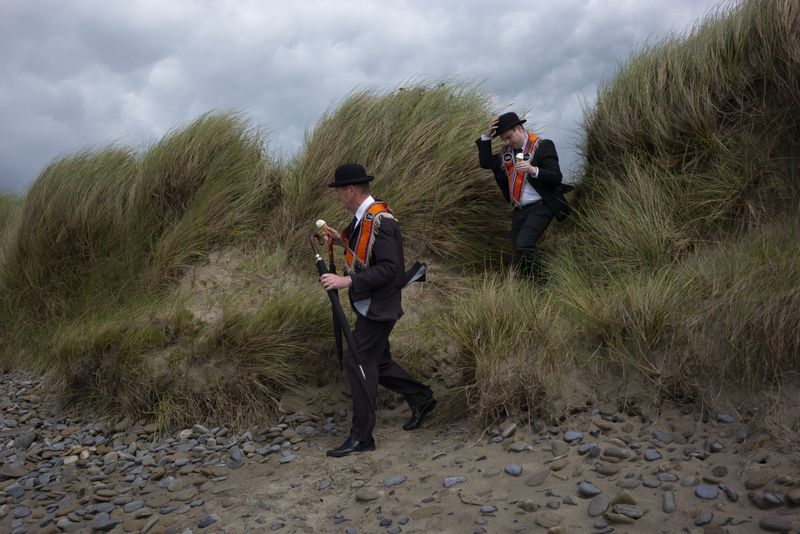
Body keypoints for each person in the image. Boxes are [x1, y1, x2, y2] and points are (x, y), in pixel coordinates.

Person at [319, 163, 436, 458]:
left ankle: (362, 437)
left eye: (339, 192)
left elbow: (389, 269)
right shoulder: (364, 219)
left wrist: (346, 280)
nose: (338, 197)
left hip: (379, 306)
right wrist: (338, 240)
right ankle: (421, 398)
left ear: (351, 190)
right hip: (371, 304)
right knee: (377, 363)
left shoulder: (382, 221)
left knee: (357, 360)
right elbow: (364, 254)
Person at [475, 112, 572, 276]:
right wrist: (486, 135)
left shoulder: (543, 146)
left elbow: (556, 177)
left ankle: (555, 274)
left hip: (542, 205)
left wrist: (532, 170)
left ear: (519, 128)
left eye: (509, 137)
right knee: (520, 250)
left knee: (523, 245)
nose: (507, 142)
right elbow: (485, 162)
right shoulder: (506, 154)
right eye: (503, 139)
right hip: (519, 209)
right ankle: (538, 283)